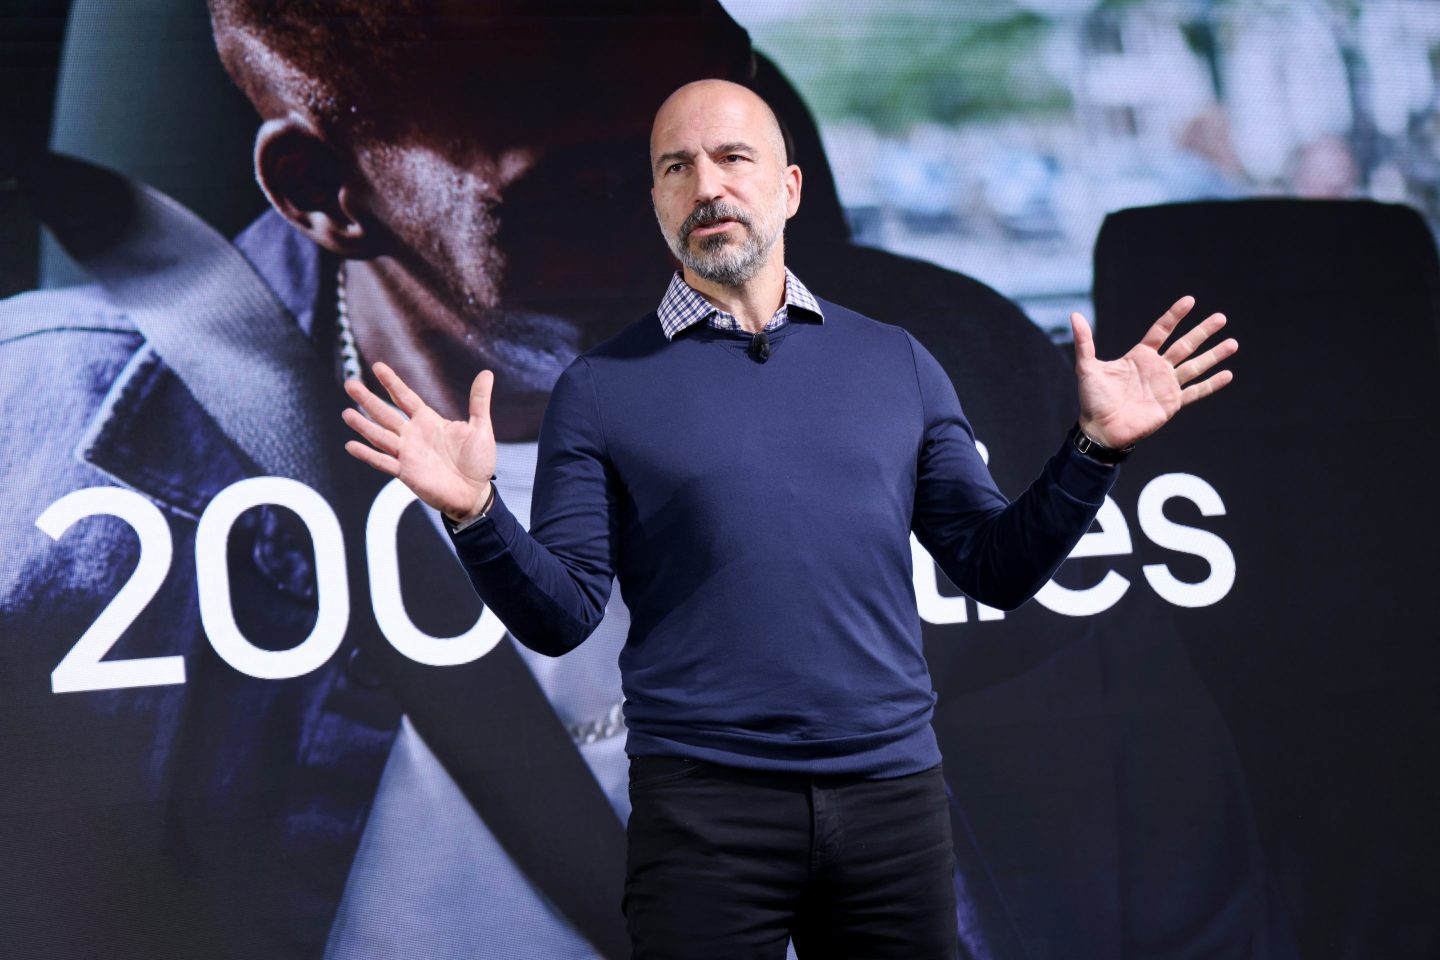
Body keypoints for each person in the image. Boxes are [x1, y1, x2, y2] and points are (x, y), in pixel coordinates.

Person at [1, 3, 1284, 958]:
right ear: (325, 192)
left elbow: (1175, 892)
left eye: (719, 128)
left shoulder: (959, 364)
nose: (704, 232)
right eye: (588, 196)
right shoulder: (64, 474)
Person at [340, 78, 1237, 959]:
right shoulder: (603, 389)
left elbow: (993, 568)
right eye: (678, 167)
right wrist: (476, 514)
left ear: (790, 186)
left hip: (889, 800)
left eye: (734, 157)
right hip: (702, 816)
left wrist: (1093, 449)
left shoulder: (896, 361)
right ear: (656, 202)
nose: (708, 186)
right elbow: (562, 614)